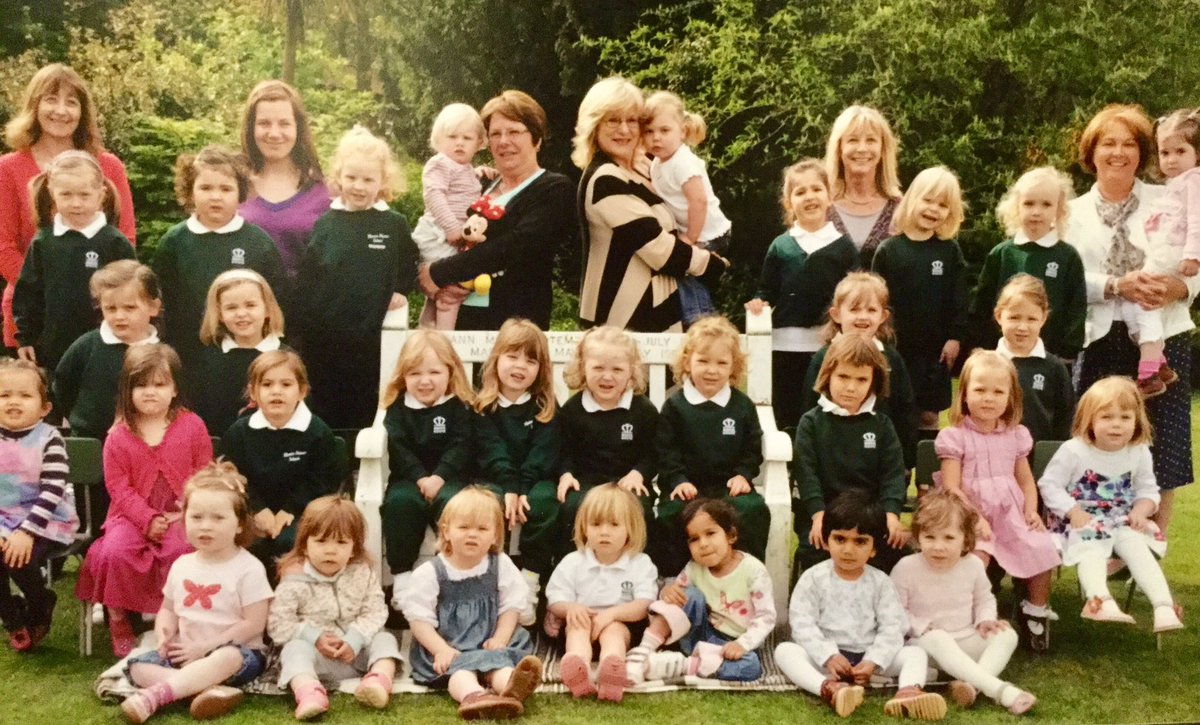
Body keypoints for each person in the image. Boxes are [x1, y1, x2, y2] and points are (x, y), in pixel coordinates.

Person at [1065, 104, 1197, 532]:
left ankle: (1150, 549)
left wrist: (1177, 288)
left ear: (1143, 153)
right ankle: (1100, 544)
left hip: (1164, 339)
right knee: (1096, 444)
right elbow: (1063, 278)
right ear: (1092, 151)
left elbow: (1195, 259)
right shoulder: (1071, 212)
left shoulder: (1170, 196)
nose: (1118, 153)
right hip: (1098, 339)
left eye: (1129, 144)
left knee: (1163, 449)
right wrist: (1115, 285)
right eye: (1108, 143)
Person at [74, 345, 212, 658]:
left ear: (174, 389)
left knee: (182, 550)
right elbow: (118, 487)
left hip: (183, 514)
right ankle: (119, 618)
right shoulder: (118, 436)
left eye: (159, 384)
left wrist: (187, 509)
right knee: (115, 551)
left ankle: (177, 619)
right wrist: (146, 518)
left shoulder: (193, 426)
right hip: (129, 515)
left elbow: (204, 473)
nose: (150, 392)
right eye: (141, 385)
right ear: (128, 391)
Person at [118, 461, 272, 724]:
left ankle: (158, 695)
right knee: (138, 666)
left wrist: (206, 647)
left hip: (235, 652)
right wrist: (164, 635)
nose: (205, 526)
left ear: (239, 524)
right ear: (184, 519)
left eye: (218, 518)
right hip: (186, 651)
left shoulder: (249, 568)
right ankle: (203, 689)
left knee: (227, 657)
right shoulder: (182, 565)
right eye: (197, 517)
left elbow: (254, 623)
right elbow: (168, 609)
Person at [0, 63, 136, 351]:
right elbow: (4, 247)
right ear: (34, 106)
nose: (61, 111)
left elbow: (126, 238)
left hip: (102, 321)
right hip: (35, 324)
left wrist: (102, 300)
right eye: (51, 99)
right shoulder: (8, 169)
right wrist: (48, 293)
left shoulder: (109, 166)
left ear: (82, 112)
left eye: (71, 102)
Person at [776, 491, 945, 720]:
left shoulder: (881, 582)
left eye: (860, 541)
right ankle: (829, 689)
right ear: (826, 541)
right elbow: (802, 624)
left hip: (869, 659)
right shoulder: (813, 578)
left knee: (915, 654)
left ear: (874, 548)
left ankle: (908, 692)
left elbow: (893, 627)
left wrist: (873, 661)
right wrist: (828, 656)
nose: (848, 550)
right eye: (840, 539)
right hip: (827, 662)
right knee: (785, 652)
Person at [574, 77, 725, 332]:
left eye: (632, 120)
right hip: (621, 324)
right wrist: (712, 265)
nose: (624, 130)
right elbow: (659, 249)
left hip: (655, 319)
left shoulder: (641, 171)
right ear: (594, 126)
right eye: (613, 120)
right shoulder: (606, 179)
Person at [934, 351, 1059, 653]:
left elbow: (1026, 481)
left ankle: (1034, 611)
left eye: (998, 392)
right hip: (968, 515)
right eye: (980, 390)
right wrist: (975, 518)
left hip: (1009, 515)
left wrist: (1031, 510)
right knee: (977, 557)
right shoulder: (955, 437)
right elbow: (951, 487)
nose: (988, 398)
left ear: (1011, 397)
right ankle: (966, 616)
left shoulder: (1016, 435)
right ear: (964, 394)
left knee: (1042, 548)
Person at [293, 126, 417, 429]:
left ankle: (363, 453)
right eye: (351, 178)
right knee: (325, 406)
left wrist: (400, 290)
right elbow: (308, 278)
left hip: (371, 338)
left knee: (367, 406)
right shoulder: (326, 224)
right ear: (339, 177)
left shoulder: (393, 224)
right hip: (326, 338)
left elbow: (409, 263)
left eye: (368, 179)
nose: (359, 186)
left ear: (383, 181)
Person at [1037, 377, 1183, 633]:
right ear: (1089, 419)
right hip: (1081, 521)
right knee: (1091, 548)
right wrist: (1073, 511)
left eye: (1125, 417)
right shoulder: (1075, 450)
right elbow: (1050, 485)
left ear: (1137, 420)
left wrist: (1141, 510)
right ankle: (1098, 600)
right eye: (1106, 417)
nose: (1116, 424)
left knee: (1137, 547)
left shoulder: (1138, 451)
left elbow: (1148, 489)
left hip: (1121, 520)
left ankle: (1163, 605)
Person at [419, 90, 575, 330]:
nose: (503, 141)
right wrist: (425, 272)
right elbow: (435, 224)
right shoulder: (477, 184)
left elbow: (515, 246)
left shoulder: (554, 189)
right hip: (459, 324)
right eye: (495, 134)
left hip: (514, 329)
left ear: (537, 139)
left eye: (514, 132)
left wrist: (440, 273)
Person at [397, 486, 543, 720]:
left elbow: (511, 606)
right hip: (450, 646)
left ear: (495, 535)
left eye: (482, 529)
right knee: (460, 673)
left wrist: (500, 638)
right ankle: (474, 696)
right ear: (446, 531)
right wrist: (440, 649)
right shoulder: (431, 572)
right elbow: (419, 619)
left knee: (500, 664)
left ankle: (511, 687)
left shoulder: (500, 563)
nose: (472, 534)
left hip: (488, 640)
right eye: (464, 527)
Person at [890, 490, 1036, 716]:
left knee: (1007, 635)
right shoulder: (905, 567)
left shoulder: (973, 565)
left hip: (965, 639)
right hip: (926, 647)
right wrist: (921, 626)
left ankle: (970, 687)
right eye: (929, 537)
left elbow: (985, 598)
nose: (938, 546)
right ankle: (1001, 691)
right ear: (918, 537)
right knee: (938, 638)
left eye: (949, 538)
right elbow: (895, 611)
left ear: (966, 539)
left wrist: (985, 619)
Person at [746, 159, 858, 430]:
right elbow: (767, 290)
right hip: (783, 346)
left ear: (830, 197)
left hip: (827, 345)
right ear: (788, 203)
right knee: (784, 414)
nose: (810, 197)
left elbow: (854, 296)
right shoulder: (780, 246)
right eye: (800, 192)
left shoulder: (843, 247)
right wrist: (759, 302)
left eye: (817, 189)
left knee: (821, 413)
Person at [268, 495, 401, 719]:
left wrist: (355, 639)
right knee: (294, 650)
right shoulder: (294, 579)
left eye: (341, 542)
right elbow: (278, 624)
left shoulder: (362, 572)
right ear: (304, 545)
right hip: (317, 658)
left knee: (385, 639)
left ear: (354, 547)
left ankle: (378, 681)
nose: (330, 550)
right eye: (321, 541)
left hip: (358, 655)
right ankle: (309, 692)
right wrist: (313, 637)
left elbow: (376, 610)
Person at [152, 145, 287, 364]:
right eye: (205, 188)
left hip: (249, 356)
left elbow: (278, 301)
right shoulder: (174, 242)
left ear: (240, 192)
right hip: (187, 355)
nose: (215, 197)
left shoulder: (258, 242)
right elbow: (160, 302)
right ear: (190, 191)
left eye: (226, 189)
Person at [654, 316, 766, 575]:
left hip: (728, 486)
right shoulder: (675, 406)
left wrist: (743, 474)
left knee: (751, 510)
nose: (711, 370)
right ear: (687, 362)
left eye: (721, 363)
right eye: (703, 361)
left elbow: (752, 447)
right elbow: (665, 450)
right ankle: (673, 579)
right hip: (687, 487)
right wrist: (678, 479)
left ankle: (747, 575)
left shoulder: (741, 406)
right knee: (672, 513)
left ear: (733, 366)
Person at [219, 351, 344, 581]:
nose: (276, 391)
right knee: (243, 540)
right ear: (253, 392)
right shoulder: (238, 433)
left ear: (302, 391)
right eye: (267, 384)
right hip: (251, 512)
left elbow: (323, 480)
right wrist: (257, 509)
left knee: (290, 541)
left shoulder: (318, 432)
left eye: (286, 384)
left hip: (303, 514)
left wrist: (290, 510)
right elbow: (231, 477)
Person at [626, 498, 775, 684]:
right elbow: (674, 600)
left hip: (733, 645)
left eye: (710, 533)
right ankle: (643, 652)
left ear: (731, 536)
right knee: (686, 594)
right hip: (698, 634)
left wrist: (742, 644)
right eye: (694, 539)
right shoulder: (694, 568)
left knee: (750, 666)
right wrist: (667, 591)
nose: (703, 544)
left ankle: (683, 665)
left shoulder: (753, 571)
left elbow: (766, 617)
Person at [793, 334, 908, 573]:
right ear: (828, 375)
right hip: (826, 513)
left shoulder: (882, 425)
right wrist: (817, 514)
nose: (851, 387)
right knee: (814, 549)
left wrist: (891, 513)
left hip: (869, 514)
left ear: (874, 382)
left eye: (861, 379)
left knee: (897, 551)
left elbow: (893, 474)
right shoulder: (811, 423)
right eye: (843, 377)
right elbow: (807, 474)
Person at [13, 150, 135, 374]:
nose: (76, 203)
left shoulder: (115, 243)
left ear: (101, 194)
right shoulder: (43, 242)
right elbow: (28, 294)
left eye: (84, 195)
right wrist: (26, 338)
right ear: (52, 194)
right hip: (53, 350)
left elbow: (135, 295)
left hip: (105, 348)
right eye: (66, 195)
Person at [873, 165, 969, 438]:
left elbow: (959, 299)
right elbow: (876, 301)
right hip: (897, 349)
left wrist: (955, 337)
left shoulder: (949, 251)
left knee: (928, 415)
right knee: (894, 412)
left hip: (934, 353)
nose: (933, 209)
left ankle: (927, 465)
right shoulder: (889, 250)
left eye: (943, 205)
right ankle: (897, 464)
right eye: (928, 200)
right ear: (911, 199)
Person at [474, 319, 560, 619]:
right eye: (512, 356)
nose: (520, 366)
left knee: (545, 502)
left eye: (530, 360)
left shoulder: (544, 406)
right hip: (495, 478)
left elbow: (542, 453)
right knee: (485, 506)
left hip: (534, 480)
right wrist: (511, 487)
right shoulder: (482, 407)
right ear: (496, 360)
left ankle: (530, 581)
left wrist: (522, 488)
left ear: (541, 369)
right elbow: (491, 451)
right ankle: (486, 587)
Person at [378, 331, 475, 588]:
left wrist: (439, 477)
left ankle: (453, 574)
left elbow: (461, 444)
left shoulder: (459, 406)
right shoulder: (398, 408)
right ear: (403, 376)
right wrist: (421, 478)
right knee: (401, 504)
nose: (425, 381)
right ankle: (402, 579)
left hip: (450, 478)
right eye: (415, 373)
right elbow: (399, 448)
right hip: (409, 478)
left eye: (434, 372)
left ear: (450, 372)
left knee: (456, 507)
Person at [545, 484, 657, 702]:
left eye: (614, 524)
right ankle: (579, 667)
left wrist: (611, 614)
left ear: (630, 528)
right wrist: (571, 608)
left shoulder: (640, 563)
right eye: (596, 524)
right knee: (577, 627)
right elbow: (555, 599)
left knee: (614, 631)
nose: (604, 531)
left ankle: (611, 670)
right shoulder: (573, 561)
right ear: (584, 527)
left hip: (622, 627)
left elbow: (644, 604)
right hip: (581, 626)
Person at [800, 271, 918, 470]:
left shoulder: (892, 359)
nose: (863, 317)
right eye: (854, 309)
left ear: (883, 316)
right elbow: (809, 405)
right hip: (831, 459)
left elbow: (905, 410)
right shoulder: (823, 357)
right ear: (836, 314)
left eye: (871, 310)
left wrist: (905, 462)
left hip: (879, 460)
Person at [556, 326, 658, 556]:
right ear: (582, 368)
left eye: (617, 369)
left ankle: (642, 568)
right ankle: (570, 567)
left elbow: (653, 452)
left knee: (640, 509)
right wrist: (566, 474)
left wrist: (639, 473)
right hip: (586, 482)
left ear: (631, 372)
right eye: (598, 368)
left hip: (627, 482)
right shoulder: (573, 410)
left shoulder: (643, 410)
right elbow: (564, 451)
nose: (607, 376)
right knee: (571, 507)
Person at [969, 167, 1086, 360]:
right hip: (1002, 357)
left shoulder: (1067, 257)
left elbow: (1076, 307)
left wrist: (1068, 352)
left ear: (1059, 210)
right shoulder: (1002, 254)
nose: (1036, 212)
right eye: (1029, 204)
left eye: (1046, 204)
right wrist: (980, 346)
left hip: (1051, 357)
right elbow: (982, 304)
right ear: (1016, 207)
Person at [1122, 108, 1200, 396]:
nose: (1171, 159)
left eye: (1180, 151)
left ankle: (1148, 373)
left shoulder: (1194, 181)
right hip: (1163, 252)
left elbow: (1197, 221)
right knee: (1134, 305)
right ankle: (1159, 362)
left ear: (1197, 153)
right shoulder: (1174, 184)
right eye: (1165, 153)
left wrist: (1193, 256)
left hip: (1174, 254)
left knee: (1143, 300)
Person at [0, 359, 76, 652]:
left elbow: (52, 491)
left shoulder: (49, 439)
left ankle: (39, 602)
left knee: (17, 558)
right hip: (3, 518)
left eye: (24, 395)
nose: (13, 402)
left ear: (45, 408)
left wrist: (26, 532)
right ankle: (11, 616)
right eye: (5, 395)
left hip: (45, 519)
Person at [643, 90, 733, 326]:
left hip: (709, 233)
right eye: (649, 131)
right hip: (696, 231)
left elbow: (698, 201)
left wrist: (690, 238)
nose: (656, 138)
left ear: (682, 131)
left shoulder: (682, 161)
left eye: (664, 131)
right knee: (687, 277)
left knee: (689, 276)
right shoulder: (658, 162)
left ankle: (703, 325)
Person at [54, 260, 161, 439]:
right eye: (111, 308)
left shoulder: (162, 352)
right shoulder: (87, 346)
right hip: (91, 440)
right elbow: (63, 385)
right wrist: (81, 419)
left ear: (153, 307)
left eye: (130, 308)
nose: (119, 316)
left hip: (145, 441)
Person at [238, 80, 330, 279]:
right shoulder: (233, 186)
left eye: (284, 123)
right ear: (251, 128)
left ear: (298, 128)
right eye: (264, 123)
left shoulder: (324, 192)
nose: (274, 133)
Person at [412, 103, 489, 330]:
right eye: (452, 137)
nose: (459, 143)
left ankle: (427, 331)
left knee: (439, 295)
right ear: (438, 140)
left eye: (467, 138)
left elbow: (461, 185)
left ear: (479, 143)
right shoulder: (440, 163)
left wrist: (479, 173)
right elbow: (434, 195)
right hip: (438, 233)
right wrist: (451, 228)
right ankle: (445, 340)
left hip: (451, 236)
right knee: (451, 292)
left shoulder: (465, 169)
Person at [188, 269, 287, 436]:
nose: (241, 314)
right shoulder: (208, 359)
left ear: (267, 309)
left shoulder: (286, 359)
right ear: (220, 314)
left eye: (250, 305)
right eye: (231, 307)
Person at [992, 275, 1074, 443]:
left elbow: (1066, 420)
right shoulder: (987, 365)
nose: (1022, 327)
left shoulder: (1055, 368)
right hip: (994, 451)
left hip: (1040, 454)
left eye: (1031, 319)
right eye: (1014, 317)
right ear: (999, 316)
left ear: (1043, 318)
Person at [823, 105, 904, 268]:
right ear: (839, 148)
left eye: (871, 140)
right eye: (853, 140)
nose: (862, 149)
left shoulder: (900, 209)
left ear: (883, 149)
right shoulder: (822, 205)